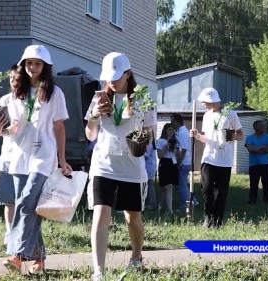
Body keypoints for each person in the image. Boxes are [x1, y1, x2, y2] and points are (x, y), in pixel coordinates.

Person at [85, 52, 156, 281]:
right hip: (103, 166)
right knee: (100, 216)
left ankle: (136, 258)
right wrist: (94, 117)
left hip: (131, 168)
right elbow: (90, 135)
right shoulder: (99, 99)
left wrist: (140, 134)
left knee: (132, 217)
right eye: (108, 78)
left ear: (127, 74)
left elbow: (150, 135)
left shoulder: (143, 99)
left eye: (115, 78)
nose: (111, 82)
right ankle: (99, 271)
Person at [2, 45, 72, 274]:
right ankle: (39, 258)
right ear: (23, 65)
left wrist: (62, 159)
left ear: (45, 67)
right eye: (29, 63)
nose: (32, 67)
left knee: (25, 201)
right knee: (30, 207)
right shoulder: (15, 94)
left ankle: (16, 254)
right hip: (20, 156)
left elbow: (59, 127)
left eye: (37, 63)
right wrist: (1, 129)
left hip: (44, 156)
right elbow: (8, 128)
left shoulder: (55, 93)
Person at [190, 88, 243, 228]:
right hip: (208, 158)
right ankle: (208, 216)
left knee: (220, 193)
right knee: (206, 189)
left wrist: (232, 135)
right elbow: (206, 138)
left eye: (205, 102)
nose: (203, 105)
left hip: (224, 160)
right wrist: (196, 135)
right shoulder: (207, 116)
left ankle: (217, 222)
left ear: (212, 100)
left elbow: (240, 134)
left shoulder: (230, 114)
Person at [0, 64, 20, 244]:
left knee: (26, 202)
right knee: (9, 201)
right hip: (7, 156)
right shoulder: (4, 100)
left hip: (26, 157)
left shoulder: (31, 100)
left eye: (17, 79)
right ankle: (10, 233)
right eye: (11, 79)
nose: (13, 82)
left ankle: (24, 237)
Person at [245, 120, 268, 205]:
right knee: (253, 184)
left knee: (267, 184)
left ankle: (267, 202)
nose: (263, 127)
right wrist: (261, 148)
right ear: (255, 127)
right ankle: (252, 201)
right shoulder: (249, 137)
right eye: (261, 126)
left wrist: (256, 149)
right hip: (254, 165)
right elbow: (250, 148)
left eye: (263, 126)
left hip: (266, 165)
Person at [170, 113, 195, 213]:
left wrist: (180, 162)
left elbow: (183, 149)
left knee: (182, 185)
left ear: (177, 121)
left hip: (184, 162)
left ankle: (184, 206)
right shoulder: (180, 131)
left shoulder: (183, 132)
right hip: (184, 160)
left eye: (172, 121)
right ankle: (194, 201)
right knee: (184, 184)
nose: (171, 123)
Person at [156, 123, 179, 214]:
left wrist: (176, 149)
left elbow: (178, 155)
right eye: (169, 129)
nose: (171, 132)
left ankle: (160, 206)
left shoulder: (175, 141)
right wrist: (166, 147)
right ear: (165, 130)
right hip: (164, 162)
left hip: (173, 163)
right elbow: (159, 156)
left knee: (167, 188)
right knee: (168, 186)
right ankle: (170, 210)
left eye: (172, 130)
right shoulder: (161, 141)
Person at [144, 137, 157, 210]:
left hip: (149, 167)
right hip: (148, 166)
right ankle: (152, 202)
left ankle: (151, 203)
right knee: (149, 185)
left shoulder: (150, 145)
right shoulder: (150, 144)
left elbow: (146, 155)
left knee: (149, 185)